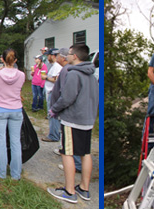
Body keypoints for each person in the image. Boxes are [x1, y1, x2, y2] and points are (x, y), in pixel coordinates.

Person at [47, 44, 98, 203]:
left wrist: (54, 109)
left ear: (75, 56)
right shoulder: (91, 74)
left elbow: (67, 97)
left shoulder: (74, 74)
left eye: (69, 53)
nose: (66, 56)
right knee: (85, 153)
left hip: (73, 120)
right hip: (87, 120)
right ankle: (84, 188)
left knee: (67, 152)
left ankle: (69, 192)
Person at [0, 49, 25, 180]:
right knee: (16, 141)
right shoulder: (21, 75)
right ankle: (16, 174)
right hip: (16, 110)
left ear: (2, 59)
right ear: (15, 60)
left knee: (1, 140)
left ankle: (1, 171)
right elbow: (18, 88)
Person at [50, 48, 83, 173]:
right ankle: (75, 162)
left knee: (69, 141)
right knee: (70, 140)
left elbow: (66, 94)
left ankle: (74, 165)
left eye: (58, 55)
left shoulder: (67, 70)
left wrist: (56, 108)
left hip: (67, 112)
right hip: (69, 110)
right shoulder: (69, 69)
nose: (56, 56)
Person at [41, 49, 63, 142]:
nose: (47, 57)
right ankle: (54, 133)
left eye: (48, 55)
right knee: (52, 114)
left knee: (52, 114)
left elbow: (56, 80)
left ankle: (54, 135)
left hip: (53, 92)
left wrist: (46, 77)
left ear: (52, 56)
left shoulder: (57, 67)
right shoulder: (54, 66)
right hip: (51, 92)